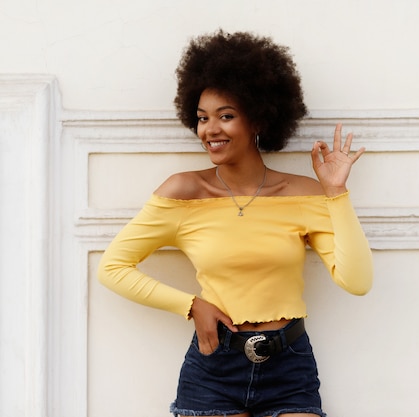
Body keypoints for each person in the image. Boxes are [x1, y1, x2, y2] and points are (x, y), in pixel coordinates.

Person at [98, 29, 373, 417]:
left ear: (258, 118)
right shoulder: (183, 191)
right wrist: (191, 305)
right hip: (214, 363)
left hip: (289, 364)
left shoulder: (303, 194)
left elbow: (356, 282)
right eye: (202, 118)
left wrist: (336, 194)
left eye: (226, 116)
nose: (210, 130)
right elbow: (112, 268)